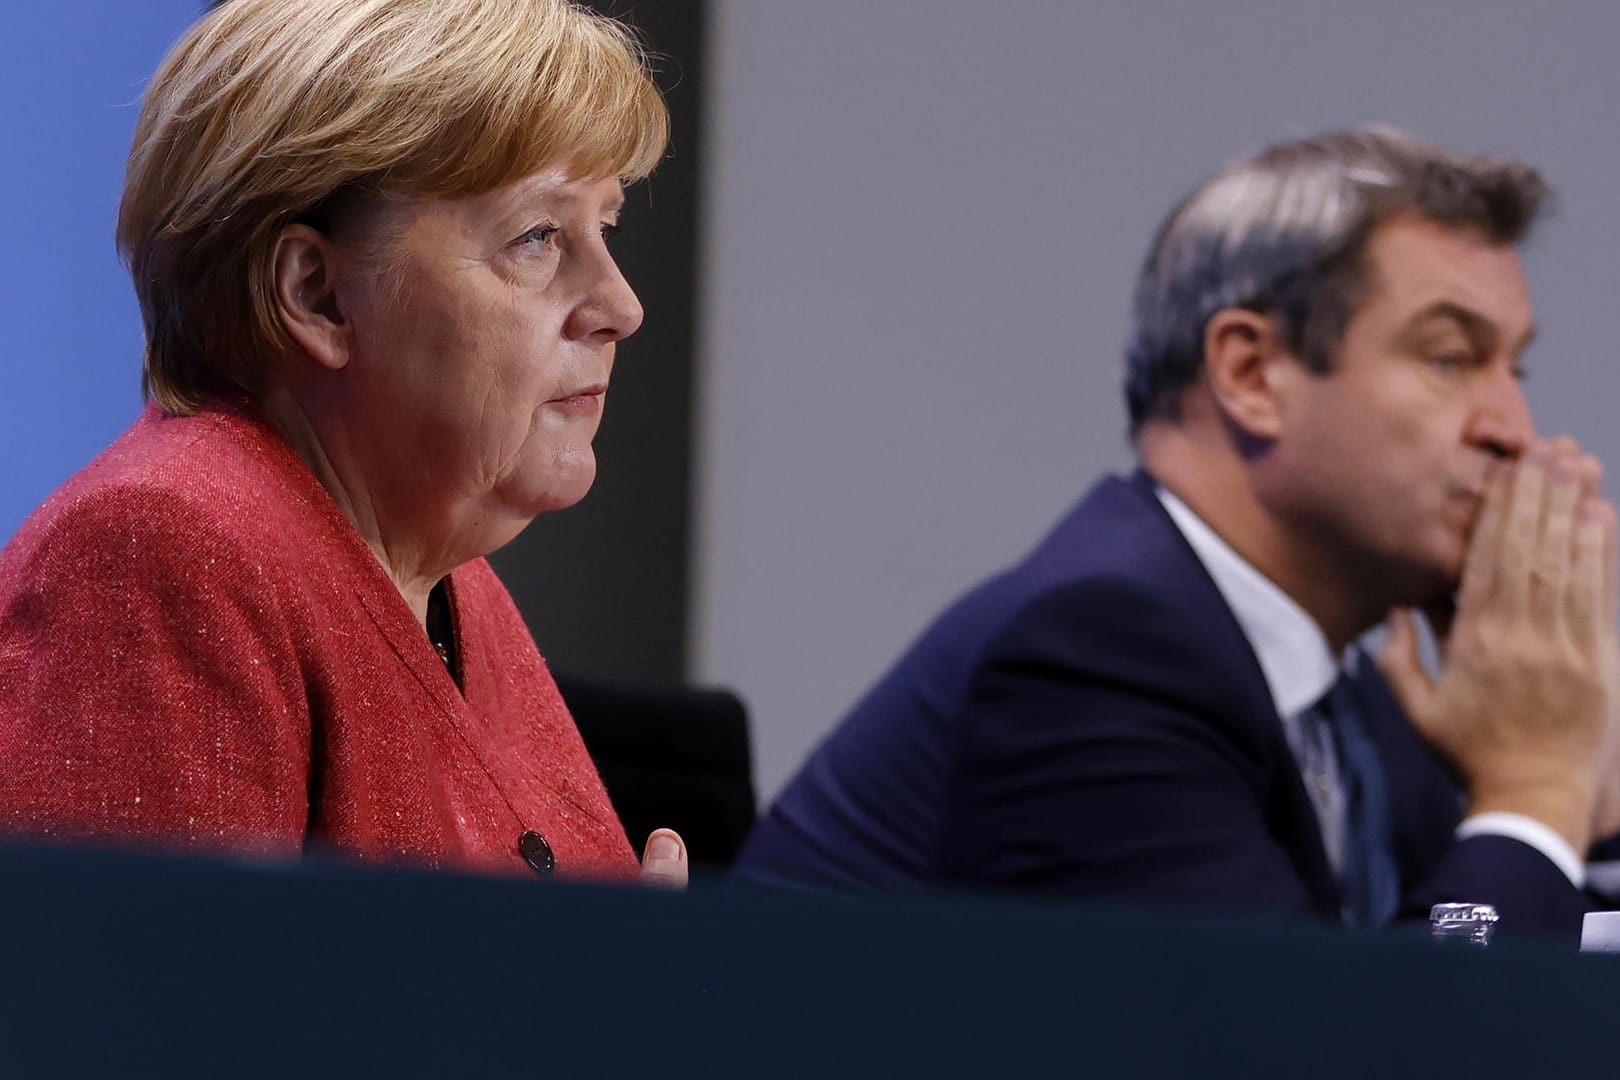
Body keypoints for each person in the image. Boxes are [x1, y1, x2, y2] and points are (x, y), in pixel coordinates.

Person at [737, 127, 1620, 939]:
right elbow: (1358, 1052)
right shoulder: (1097, 656)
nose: (1515, 426)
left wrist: (1592, 776)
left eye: (1518, 366)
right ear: (1251, 373)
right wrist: (1535, 784)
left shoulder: (1357, 698)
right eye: (1451, 358)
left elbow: (1451, 944)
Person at [0, 0, 686, 886]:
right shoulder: (164, 554)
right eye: (539, 237)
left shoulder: (447, 579)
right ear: (318, 294)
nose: (621, 307)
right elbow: (140, 1015)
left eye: (609, 231)